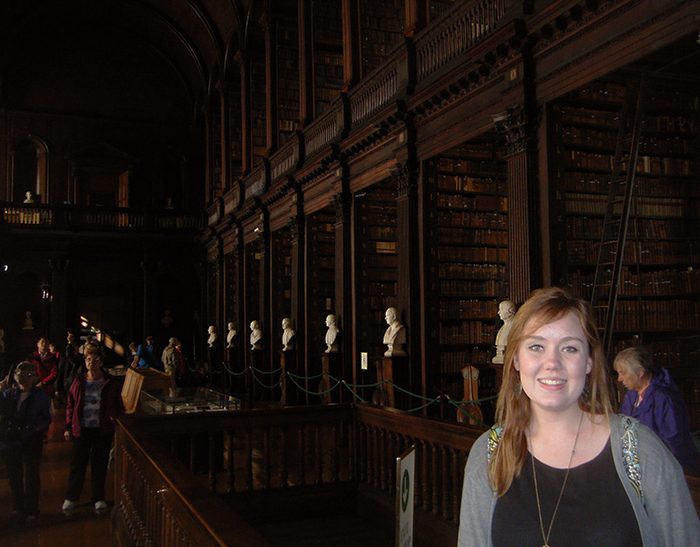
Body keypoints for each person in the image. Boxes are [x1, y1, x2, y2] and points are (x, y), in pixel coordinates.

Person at [458, 287, 700, 547]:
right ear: (516, 359)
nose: (552, 363)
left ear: (588, 361)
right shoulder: (488, 455)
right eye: (537, 346)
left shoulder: (640, 451)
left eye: (569, 348)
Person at [614, 346, 700, 473]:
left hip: (668, 468)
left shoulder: (664, 398)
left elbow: (673, 442)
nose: (619, 379)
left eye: (623, 372)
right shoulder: (630, 396)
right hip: (640, 466)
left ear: (640, 372)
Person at [62, 344, 123, 517]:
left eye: (95, 360)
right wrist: (67, 426)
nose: (91, 363)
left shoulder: (110, 382)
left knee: (99, 464)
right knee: (77, 464)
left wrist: (117, 424)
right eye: (88, 359)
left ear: (101, 362)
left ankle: (98, 498)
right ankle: (71, 497)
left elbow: (118, 406)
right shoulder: (79, 380)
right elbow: (70, 404)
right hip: (81, 428)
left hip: (101, 429)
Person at [0, 361, 51, 523]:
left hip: (31, 439)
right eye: (21, 374)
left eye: (29, 374)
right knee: (14, 475)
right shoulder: (8, 394)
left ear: (35, 377)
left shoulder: (41, 396)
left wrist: (34, 428)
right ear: (15, 377)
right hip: (12, 440)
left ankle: (31, 509)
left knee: (31, 475)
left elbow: (46, 418)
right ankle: (18, 507)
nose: (24, 378)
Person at [492, 300, 515, 364]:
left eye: (501, 309)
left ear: (510, 311)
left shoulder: (515, 327)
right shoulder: (503, 327)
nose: (498, 312)